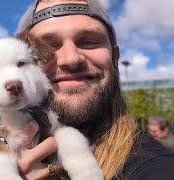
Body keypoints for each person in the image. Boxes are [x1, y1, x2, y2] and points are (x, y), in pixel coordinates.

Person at [14, 0, 174, 179]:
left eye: (89, 42)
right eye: (46, 47)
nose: (71, 58)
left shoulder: (157, 168)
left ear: (115, 57)